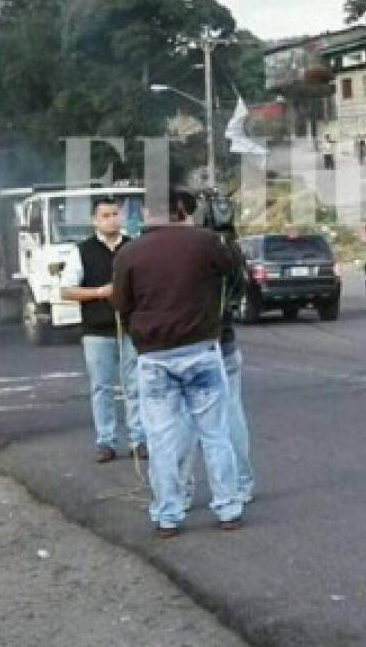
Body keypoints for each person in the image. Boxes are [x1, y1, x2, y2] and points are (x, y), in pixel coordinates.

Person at [111, 190, 243, 539]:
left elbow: (120, 304)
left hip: (154, 356)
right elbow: (234, 274)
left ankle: (168, 516)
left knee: (161, 441)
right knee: (216, 434)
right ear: (182, 211)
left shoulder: (129, 253)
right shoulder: (206, 242)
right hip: (202, 348)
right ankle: (228, 507)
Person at [60, 197, 146, 464]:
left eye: (115, 214)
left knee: (135, 387)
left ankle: (138, 440)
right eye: (105, 215)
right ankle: (105, 442)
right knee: (102, 388)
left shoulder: (134, 248)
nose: (111, 219)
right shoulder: (82, 251)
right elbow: (66, 290)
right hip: (97, 331)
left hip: (131, 329)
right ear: (94, 220)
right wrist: (99, 292)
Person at [181, 218, 254, 510]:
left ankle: (180, 492)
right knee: (231, 415)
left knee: (183, 421)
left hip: (192, 344)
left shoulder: (191, 251)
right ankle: (240, 484)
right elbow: (239, 290)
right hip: (224, 340)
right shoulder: (232, 253)